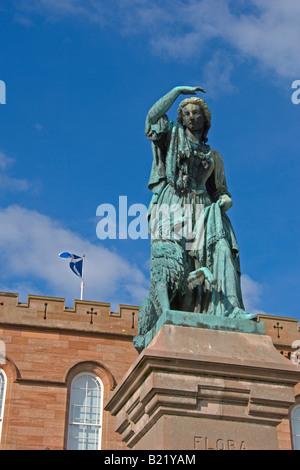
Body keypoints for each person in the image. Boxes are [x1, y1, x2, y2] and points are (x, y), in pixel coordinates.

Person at [134, 86, 256, 351]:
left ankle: (229, 309)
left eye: (196, 113)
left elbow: (221, 191)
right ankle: (170, 311)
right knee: (176, 262)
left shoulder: (214, 157)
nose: (191, 117)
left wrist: (224, 201)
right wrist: (177, 91)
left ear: (205, 119)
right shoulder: (171, 137)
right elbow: (151, 120)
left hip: (204, 208)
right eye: (186, 112)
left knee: (220, 249)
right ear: (181, 117)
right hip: (172, 205)